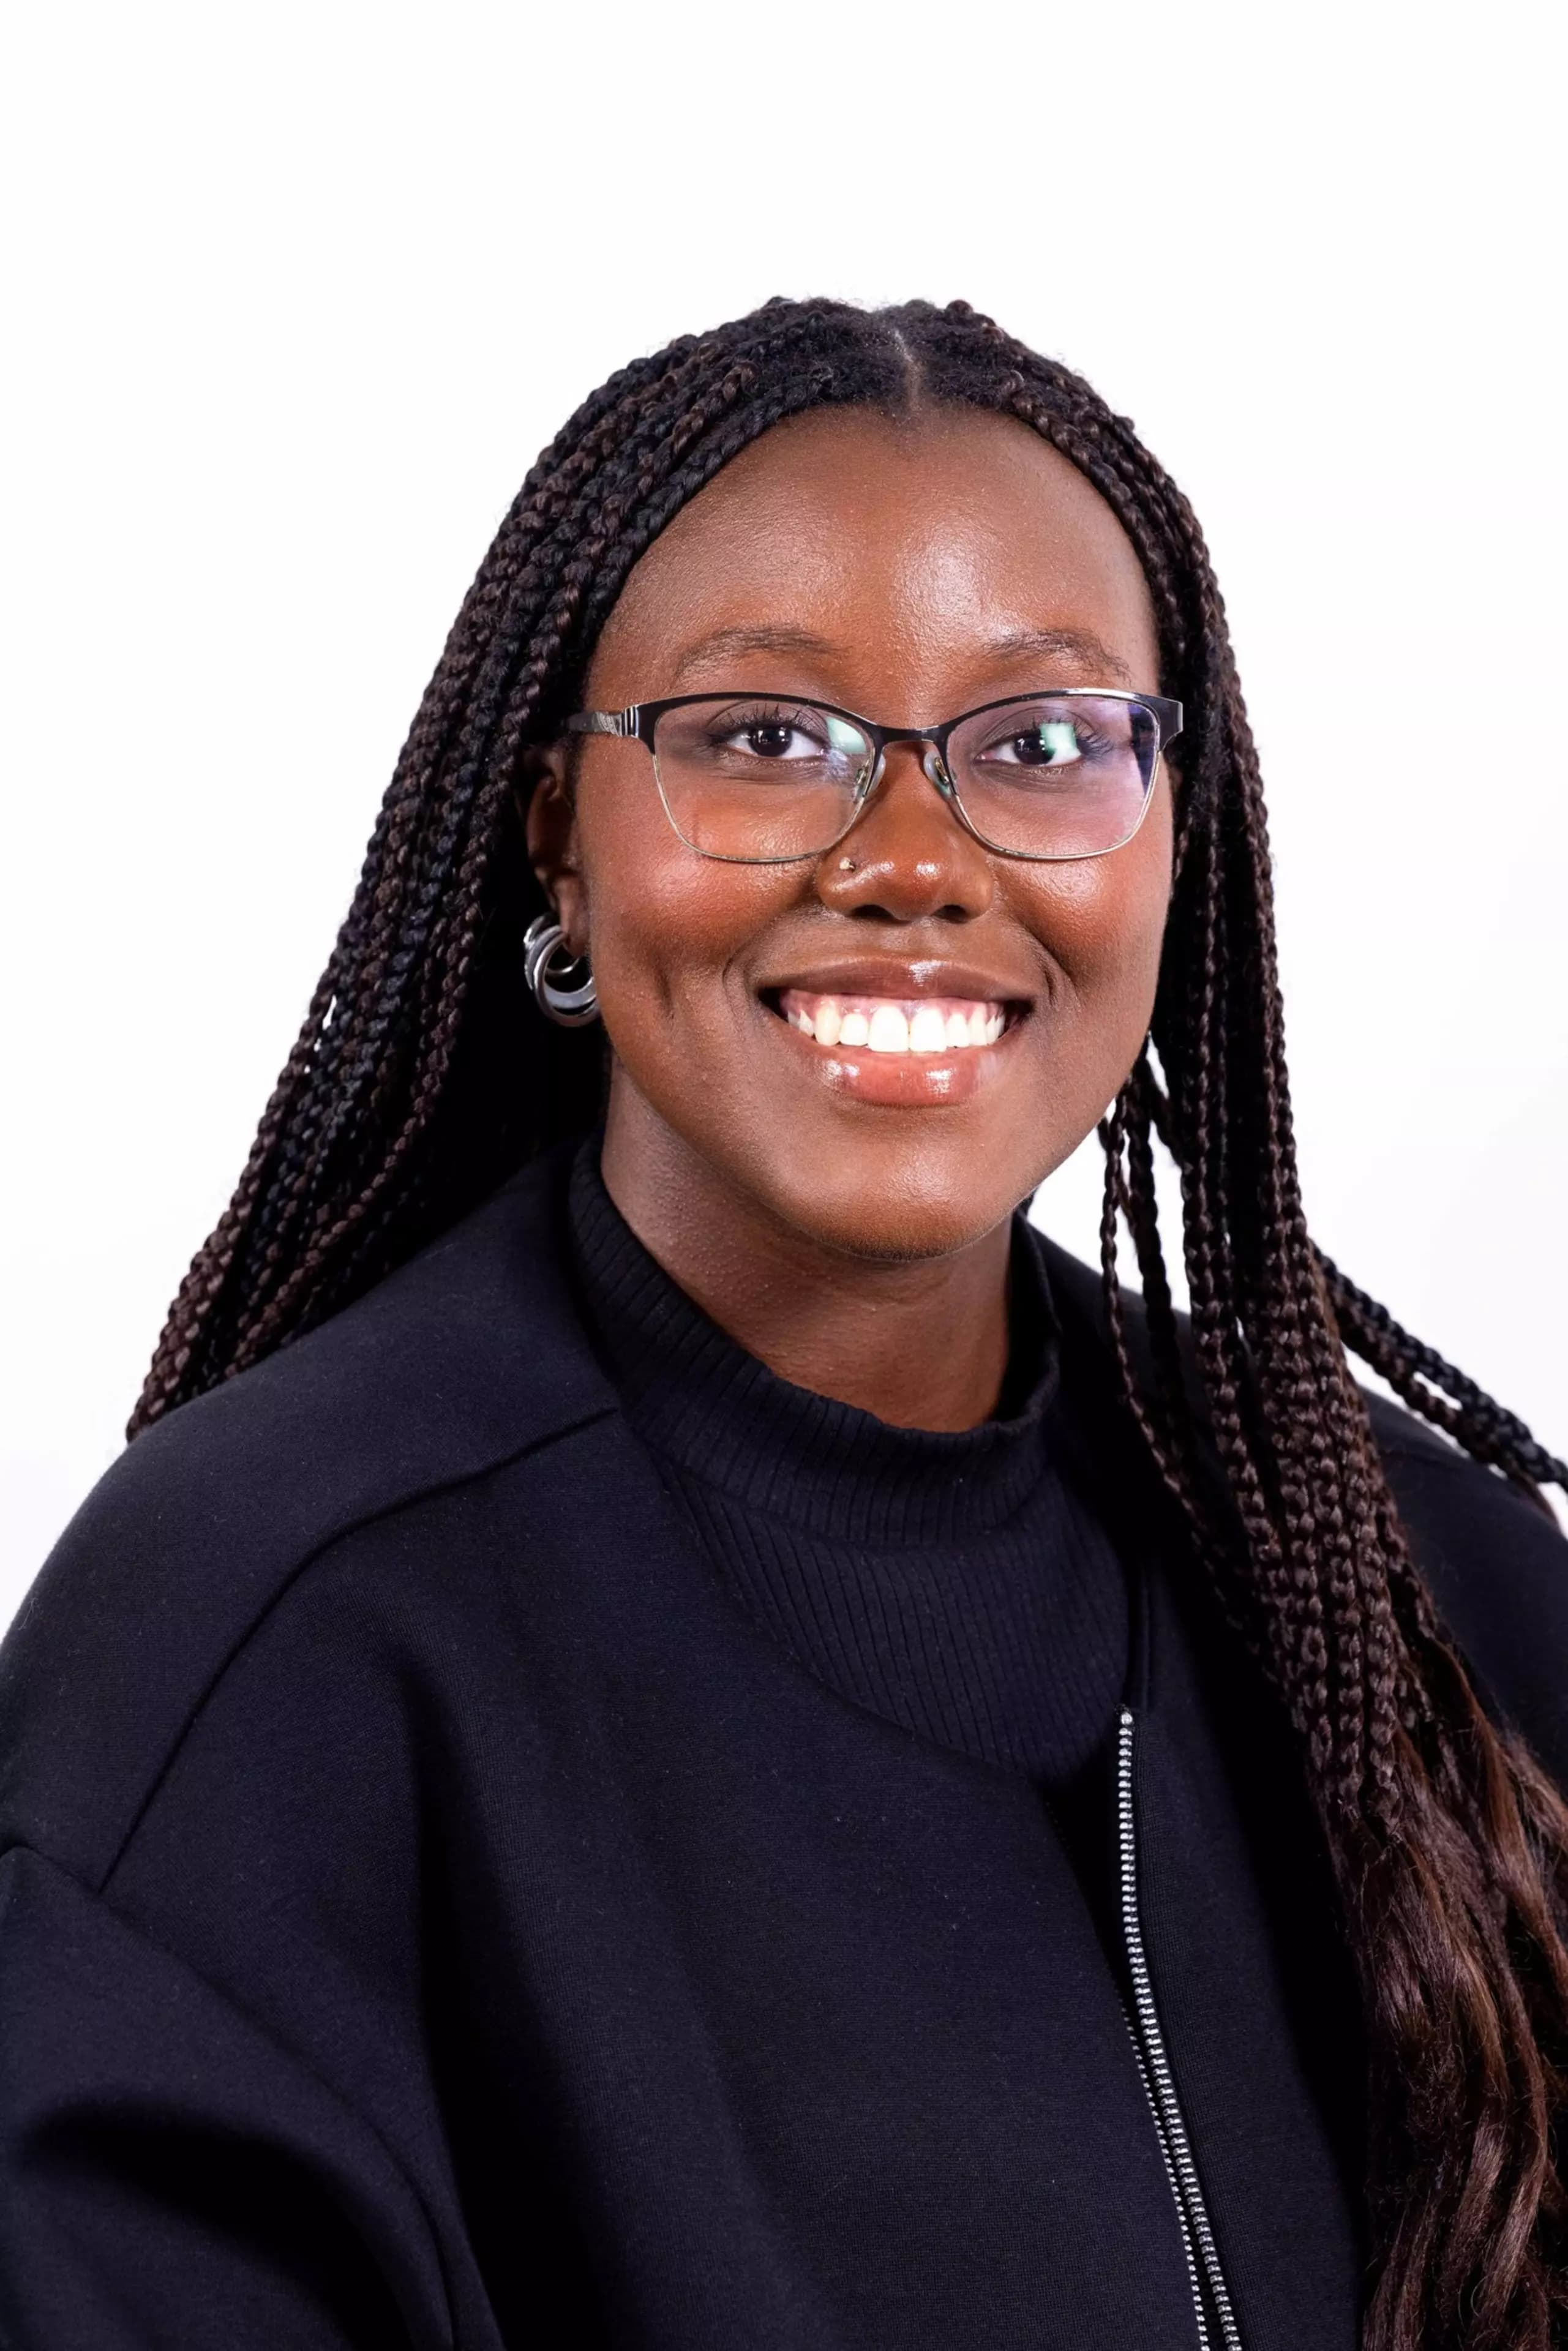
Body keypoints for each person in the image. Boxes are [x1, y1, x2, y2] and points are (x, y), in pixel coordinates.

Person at [2, 298, 1565, 2351]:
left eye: (1039, 743)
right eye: (761, 739)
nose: (913, 860)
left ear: (1179, 833)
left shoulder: (1433, 1599)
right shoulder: (266, 1653)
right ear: (556, 830)